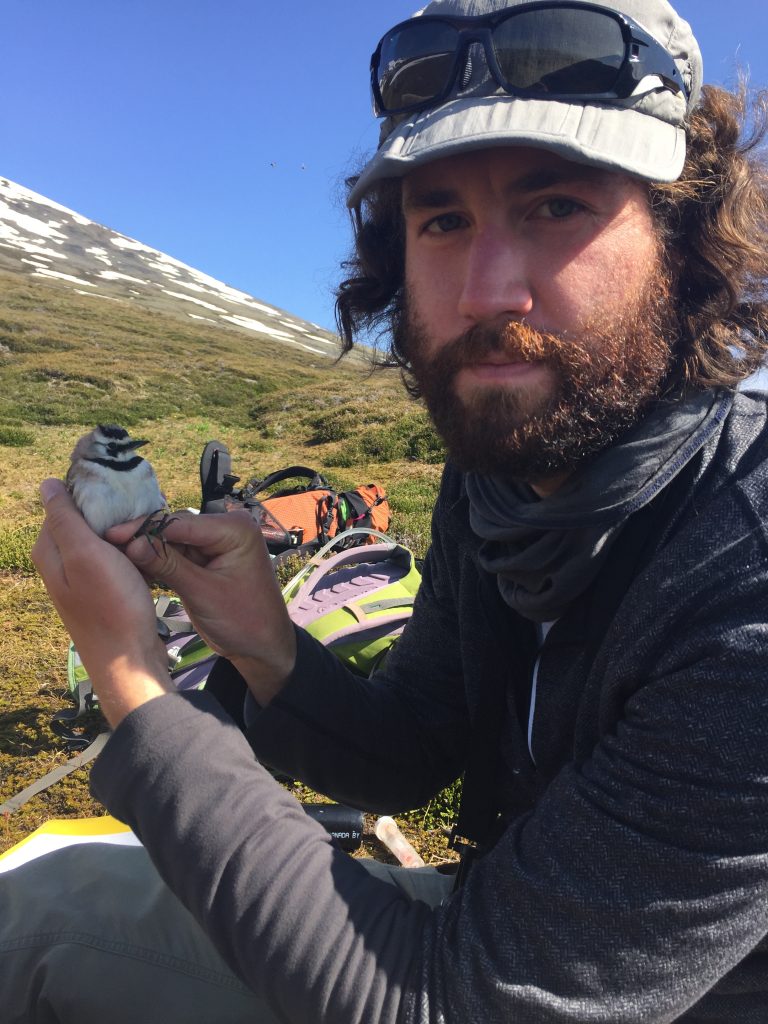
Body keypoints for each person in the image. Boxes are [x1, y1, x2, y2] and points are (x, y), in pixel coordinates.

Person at [3, 0, 768, 1020]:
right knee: (35, 914)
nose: (489, 290)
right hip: (495, 934)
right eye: (443, 219)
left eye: (557, 208)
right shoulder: (499, 477)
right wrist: (266, 645)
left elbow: (446, 1006)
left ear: (682, 241)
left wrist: (137, 683)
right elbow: (408, 749)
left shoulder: (744, 571)